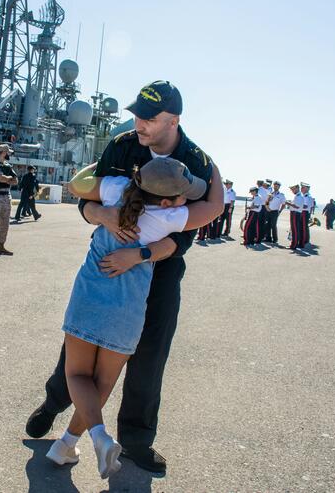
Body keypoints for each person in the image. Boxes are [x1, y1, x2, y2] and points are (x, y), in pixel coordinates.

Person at [25, 80, 223, 474]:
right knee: (78, 349)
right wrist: (102, 215)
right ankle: (54, 403)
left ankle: (135, 442)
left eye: (149, 117)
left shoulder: (195, 161)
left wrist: (141, 254)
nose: (139, 123)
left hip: (159, 268)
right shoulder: (122, 146)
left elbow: (185, 236)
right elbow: (87, 199)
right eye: (137, 114)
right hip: (110, 258)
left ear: (174, 120)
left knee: (150, 356)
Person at [47, 157, 212, 478]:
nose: (185, 198)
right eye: (183, 194)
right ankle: (70, 443)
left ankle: (94, 438)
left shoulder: (116, 188)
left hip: (87, 295)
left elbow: (76, 184)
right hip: (127, 308)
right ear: (168, 201)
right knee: (103, 382)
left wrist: (103, 162)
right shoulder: (170, 217)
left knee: (77, 375)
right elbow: (214, 208)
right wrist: (213, 171)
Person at [286, 184, 304, 250]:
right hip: (295, 213)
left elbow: (296, 206)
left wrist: (287, 203)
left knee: (295, 230)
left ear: (297, 188)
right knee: (294, 229)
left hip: (295, 214)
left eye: (293, 189)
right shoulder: (297, 196)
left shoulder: (299, 196)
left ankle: (294, 245)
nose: (292, 191)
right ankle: (294, 244)